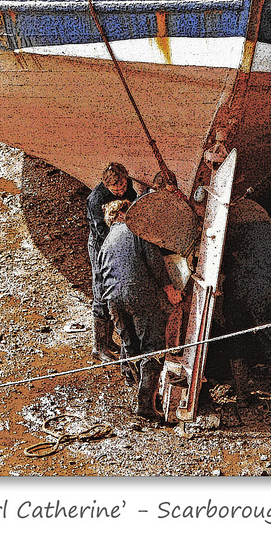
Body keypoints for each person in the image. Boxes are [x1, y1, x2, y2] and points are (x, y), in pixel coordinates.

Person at [97, 199, 183, 419]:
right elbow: (154, 262)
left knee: (131, 346)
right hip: (139, 295)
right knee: (153, 347)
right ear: (124, 214)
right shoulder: (138, 232)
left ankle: (142, 394)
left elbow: (100, 278)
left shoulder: (105, 242)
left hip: (112, 299)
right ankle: (146, 405)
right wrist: (169, 288)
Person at [222, 208, 271, 412]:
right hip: (263, 295)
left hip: (235, 289)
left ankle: (241, 397)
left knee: (237, 339)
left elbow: (226, 236)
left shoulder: (256, 229)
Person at [86, 163, 138, 362]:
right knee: (101, 289)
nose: (121, 190)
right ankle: (99, 345)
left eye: (123, 185)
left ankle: (108, 341)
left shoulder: (128, 187)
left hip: (121, 237)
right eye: (116, 188)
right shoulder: (96, 199)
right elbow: (101, 231)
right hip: (101, 246)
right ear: (106, 186)